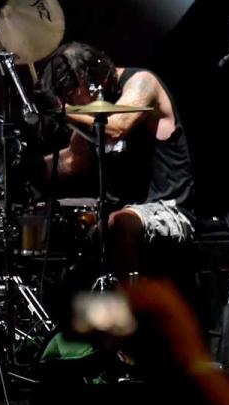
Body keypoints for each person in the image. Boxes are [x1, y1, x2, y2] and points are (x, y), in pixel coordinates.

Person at [38, 41, 195, 279]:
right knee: (62, 226)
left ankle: (131, 308)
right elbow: (72, 160)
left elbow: (116, 128)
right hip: (118, 210)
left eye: (71, 94)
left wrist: (62, 110)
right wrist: (24, 167)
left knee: (118, 224)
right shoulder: (94, 108)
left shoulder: (141, 82)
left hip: (169, 211)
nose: (72, 102)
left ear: (88, 78)